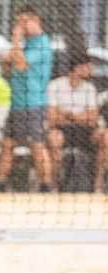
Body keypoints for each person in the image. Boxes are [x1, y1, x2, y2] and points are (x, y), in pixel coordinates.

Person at [0, 4, 54, 193]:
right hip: (17, 103)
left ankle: (46, 186)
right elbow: (10, 73)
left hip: (34, 104)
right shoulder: (27, 45)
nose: (20, 27)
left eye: (23, 22)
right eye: (17, 22)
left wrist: (15, 40)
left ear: (35, 20)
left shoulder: (42, 43)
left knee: (36, 144)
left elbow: (22, 64)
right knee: (7, 143)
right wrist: (5, 63)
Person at [46, 54, 107, 192]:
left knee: (106, 137)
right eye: (88, 67)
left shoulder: (90, 88)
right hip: (62, 129)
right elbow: (52, 117)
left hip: (84, 131)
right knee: (55, 139)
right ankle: (55, 187)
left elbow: (92, 119)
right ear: (77, 68)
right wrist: (80, 116)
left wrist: (66, 114)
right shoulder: (55, 85)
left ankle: (97, 187)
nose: (91, 71)